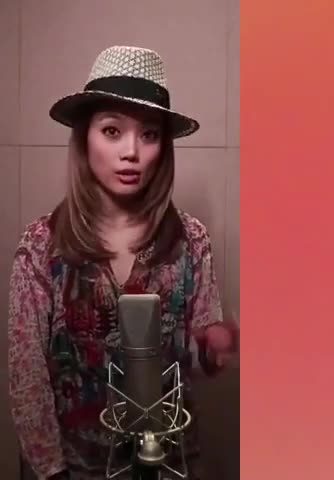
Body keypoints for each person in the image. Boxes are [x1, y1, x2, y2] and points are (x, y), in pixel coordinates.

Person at [7, 45, 238, 480]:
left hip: (169, 465)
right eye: (112, 131)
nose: (131, 151)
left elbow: (193, 361)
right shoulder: (40, 246)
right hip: (72, 470)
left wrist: (214, 348)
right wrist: (52, 471)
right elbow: (27, 377)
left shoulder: (191, 240)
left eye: (149, 135)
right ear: (85, 138)